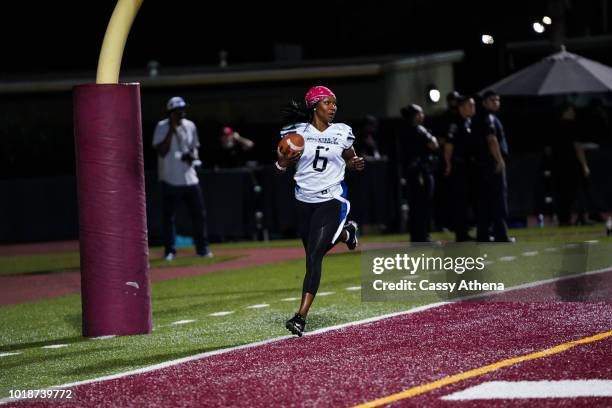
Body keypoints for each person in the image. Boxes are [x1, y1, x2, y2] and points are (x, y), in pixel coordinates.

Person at [275, 85, 365, 336]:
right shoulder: (295, 132)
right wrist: (281, 163)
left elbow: (350, 157)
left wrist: (354, 163)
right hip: (303, 201)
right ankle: (347, 233)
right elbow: (280, 167)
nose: (333, 107)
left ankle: (300, 317)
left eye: (335, 103)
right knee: (313, 252)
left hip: (331, 199)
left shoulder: (343, 131)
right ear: (315, 106)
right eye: (327, 103)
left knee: (314, 256)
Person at [152, 96, 212, 260]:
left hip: (189, 177)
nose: (181, 114)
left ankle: (202, 249)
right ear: (171, 113)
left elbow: (195, 148)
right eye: (178, 111)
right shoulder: (162, 126)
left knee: (199, 214)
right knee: (168, 216)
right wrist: (171, 130)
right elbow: (162, 151)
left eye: (183, 110)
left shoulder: (190, 125)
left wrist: (192, 156)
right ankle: (170, 250)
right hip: (170, 178)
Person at [473, 90, 512, 242]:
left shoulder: (479, 117)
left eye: (497, 99)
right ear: (484, 102)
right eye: (492, 100)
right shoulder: (488, 117)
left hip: (483, 166)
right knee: (498, 200)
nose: (496, 102)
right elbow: (491, 139)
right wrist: (499, 159)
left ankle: (483, 234)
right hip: (491, 165)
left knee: (486, 202)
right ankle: (501, 234)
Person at [399, 104, 439, 242]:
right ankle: (423, 236)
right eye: (420, 113)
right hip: (421, 171)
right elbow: (434, 144)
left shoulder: (403, 129)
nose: (422, 115)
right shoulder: (419, 129)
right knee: (423, 204)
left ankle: (416, 236)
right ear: (415, 116)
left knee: (414, 205)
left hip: (410, 172)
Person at [549, 102, 590, 226]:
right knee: (576, 191)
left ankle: (564, 219)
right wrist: (584, 165)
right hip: (571, 164)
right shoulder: (572, 126)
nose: (574, 113)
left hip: (558, 165)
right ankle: (581, 217)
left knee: (561, 193)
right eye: (571, 110)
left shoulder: (553, 126)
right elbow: (577, 147)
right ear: (565, 111)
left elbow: (549, 149)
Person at [444, 95, 477, 242]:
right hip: (458, 166)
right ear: (461, 108)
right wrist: (448, 163)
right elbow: (449, 145)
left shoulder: (468, 122)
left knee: (467, 200)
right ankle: (460, 233)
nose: (472, 108)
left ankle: (464, 230)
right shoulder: (455, 123)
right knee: (460, 201)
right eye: (470, 105)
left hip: (468, 166)